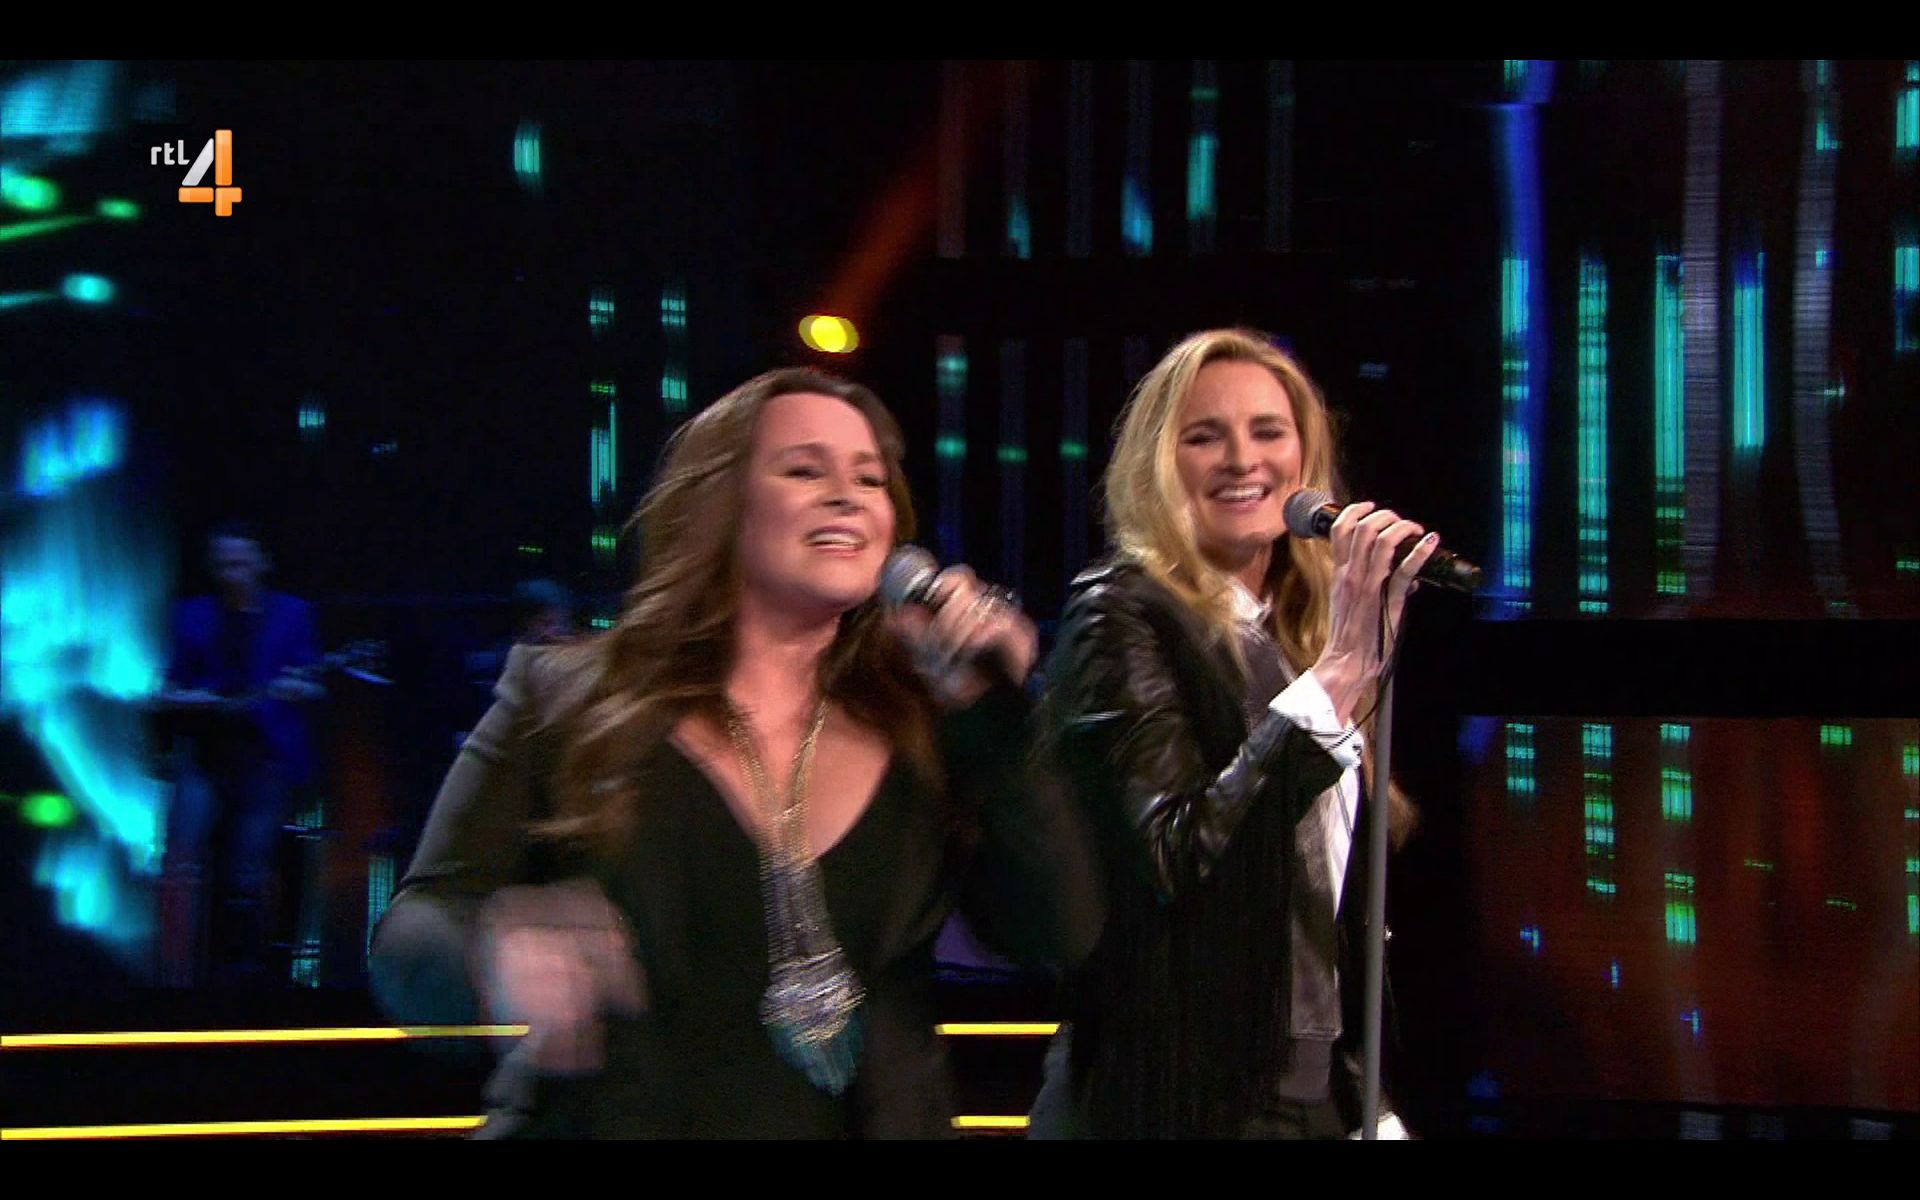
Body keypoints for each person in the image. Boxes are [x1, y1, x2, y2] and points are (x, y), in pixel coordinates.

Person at [370, 367, 1099, 1138]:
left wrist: (994, 716)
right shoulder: (564, 698)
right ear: (719, 503)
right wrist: (492, 951)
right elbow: (410, 935)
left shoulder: (933, 721)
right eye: (804, 470)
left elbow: (1059, 931)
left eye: (870, 479)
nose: (848, 496)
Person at [1027, 328, 1434, 1139]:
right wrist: (1339, 677)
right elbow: (1174, 857)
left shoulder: (1298, 634)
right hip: (1185, 1097)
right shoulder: (1121, 612)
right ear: (1158, 463)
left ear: (1304, 459)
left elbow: (1327, 911)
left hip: (1314, 1091)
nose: (1242, 459)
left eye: (1268, 431)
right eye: (1205, 436)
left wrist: (1368, 1100)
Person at [155, 520, 326, 986]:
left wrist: (298, 688)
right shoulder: (192, 616)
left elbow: (313, 682)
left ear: (260, 563)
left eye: (241, 563)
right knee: (184, 860)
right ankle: (184, 970)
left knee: (248, 869)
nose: (233, 573)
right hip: (205, 756)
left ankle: (246, 973)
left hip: (265, 759)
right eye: (225, 564)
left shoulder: (292, 614)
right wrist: (192, 699)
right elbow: (168, 687)